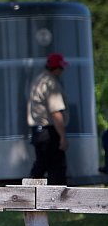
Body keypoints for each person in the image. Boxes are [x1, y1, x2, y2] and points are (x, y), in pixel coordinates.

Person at [27, 53, 70, 185]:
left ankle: (27, 195)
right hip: (49, 132)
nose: (62, 71)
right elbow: (55, 112)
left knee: (41, 166)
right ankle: (58, 200)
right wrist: (62, 136)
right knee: (57, 168)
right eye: (61, 68)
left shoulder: (38, 80)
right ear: (55, 68)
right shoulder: (50, 83)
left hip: (38, 131)